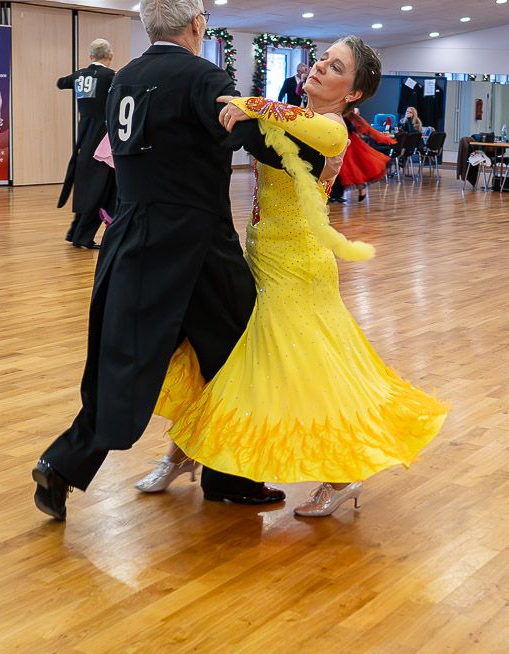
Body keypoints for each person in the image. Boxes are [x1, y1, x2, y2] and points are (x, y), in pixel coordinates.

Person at [33, 0, 341, 519]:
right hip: (199, 245)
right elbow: (251, 134)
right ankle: (228, 477)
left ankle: (69, 465)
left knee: (126, 360)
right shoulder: (203, 76)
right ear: (197, 23)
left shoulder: (125, 79)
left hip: (131, 235)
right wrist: (314, 160)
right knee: (239, 355)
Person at [139, 36, 448, 518]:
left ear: (353, 93)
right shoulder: (292, 116)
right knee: (224, 358)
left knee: (301, 374)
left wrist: (250, 104)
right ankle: (184, 454)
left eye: (336, 67)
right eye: (323, 59)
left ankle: (342, 476)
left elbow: (300, 126)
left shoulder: (332, 128)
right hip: (260, 257)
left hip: (297, 268)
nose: (320, 67)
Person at [57, 38, 117, 250]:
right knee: (100, 187)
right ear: (110, 55)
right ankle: (83, 236)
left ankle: (75, 232)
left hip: (83, 136)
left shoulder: (79, 75)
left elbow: (60, 82)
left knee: (86, 184)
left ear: (91, 56)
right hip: (102, 139)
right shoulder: (110, 76)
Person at [339, 110, 395, 202]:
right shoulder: (342, 113)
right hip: (343, 142)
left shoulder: (347, 115)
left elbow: (364, 128)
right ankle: (358, 189)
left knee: (351, 167)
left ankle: (360, 188)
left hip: (349, 143)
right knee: (349, 168)